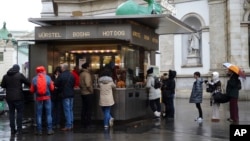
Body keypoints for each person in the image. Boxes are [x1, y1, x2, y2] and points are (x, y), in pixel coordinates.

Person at [0, 64, 30, 135]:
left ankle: (12, 130)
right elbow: (28, 83)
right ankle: (19, 130)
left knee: (11, 113)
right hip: (18, 97)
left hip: (9, 98)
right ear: (18, 69)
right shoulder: (19, 75)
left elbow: (2, 85)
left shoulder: (6, 76)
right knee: (19, 113)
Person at [30, 66, 55, 135]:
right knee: (48, 114)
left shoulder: (34, 79)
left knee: (39, 114)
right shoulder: (48, 78)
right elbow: (52, 89)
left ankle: (39, 130)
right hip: (47, 98)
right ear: (44, 70)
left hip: (39, 98)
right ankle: (49, 130)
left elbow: (31, 90)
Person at [55, 64, 75, 131]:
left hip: (65, 94)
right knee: (70, 110)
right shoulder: (71, 75)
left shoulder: (61, 75)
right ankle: (71, 124)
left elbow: (56, 83)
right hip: (71, 94)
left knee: (67, 110)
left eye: (61, 67)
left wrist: (57, 77)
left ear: (63, 68)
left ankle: (68, 125)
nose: (60, 68)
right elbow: (73, 84)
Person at [79, 62, 94, 128]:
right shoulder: (87, 74)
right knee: (89, 109)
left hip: (83, 93)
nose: (90, 67)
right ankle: (88, 123)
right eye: (90, 66)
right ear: (87, 67)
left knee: (84, 108)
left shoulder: (81, 74)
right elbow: (88, 84)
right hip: (87, 93)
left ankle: (83, 122)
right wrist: (91, 91)